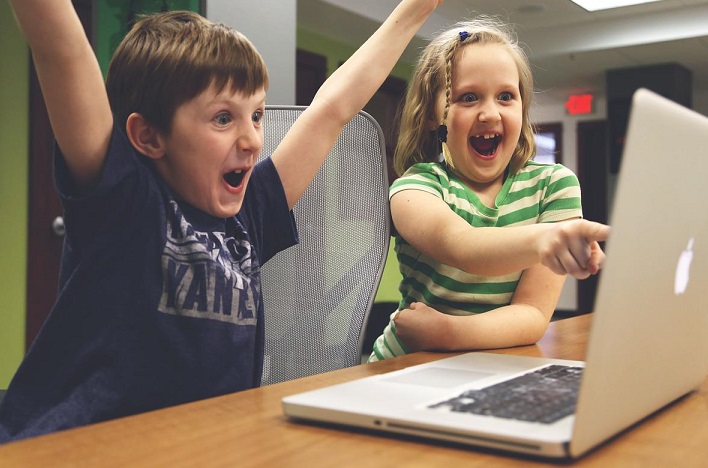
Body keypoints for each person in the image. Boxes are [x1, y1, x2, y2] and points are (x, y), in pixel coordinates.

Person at [0, 0, 443, 442]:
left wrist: (415, 10)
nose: (252, 140)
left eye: (256, 115)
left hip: (206, 442)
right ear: (149, 136)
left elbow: (332, 108)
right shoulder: (123, 198)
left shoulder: (251, 211)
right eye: (223, 118)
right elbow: (61, 48)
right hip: (78, 447)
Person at [368, 17, 609, 363]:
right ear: (433, 115)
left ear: (522, 107)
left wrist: (448, 333)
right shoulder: (414, 188)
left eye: (506, 97)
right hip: (406, 366)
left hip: (491, 367)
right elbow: (463, 246)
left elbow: (532, 315)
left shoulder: (554, 186)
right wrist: (545, 239)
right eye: (468, 97)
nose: (490, 113)